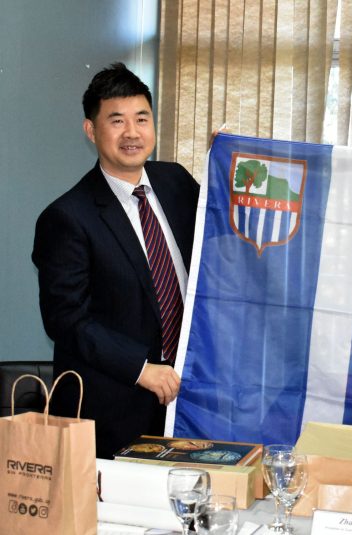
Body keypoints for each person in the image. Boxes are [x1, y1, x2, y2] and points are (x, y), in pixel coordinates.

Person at [32, 63, 200, 459]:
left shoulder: (176, 181)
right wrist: (141, 369)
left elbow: (223, 235)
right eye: (117, 120)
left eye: (141, 118)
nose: (132, 133)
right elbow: (66, 319)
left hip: (189, 400)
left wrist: (230, 160)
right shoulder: (67, 217)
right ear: (91, 130)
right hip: (115, 410)